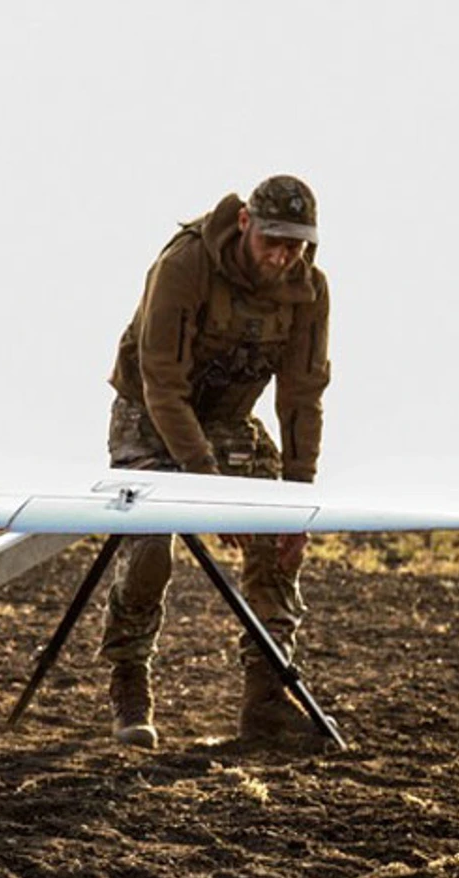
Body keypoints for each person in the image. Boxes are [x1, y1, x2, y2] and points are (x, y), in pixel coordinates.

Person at [98, 175, 329, 750]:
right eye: (272, 240)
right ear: (246, 224)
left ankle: (267, 699)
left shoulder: (310, 291)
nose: (282, 256)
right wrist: (208, 487)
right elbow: (161, 383)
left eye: (295, 245)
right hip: (150, 418)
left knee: (276, 537)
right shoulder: (185, 265)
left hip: (227, 424)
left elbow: (301, 399)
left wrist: (297, 505)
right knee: (149, 546)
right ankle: (130, 680)